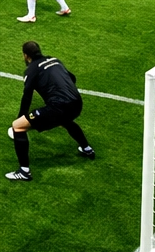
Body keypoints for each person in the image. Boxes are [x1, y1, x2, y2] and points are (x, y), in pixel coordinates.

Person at [6, 41, 95, 182]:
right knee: (65, 120)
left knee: (18, 126)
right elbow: (72, 78)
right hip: (76, 103)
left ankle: (24, 172)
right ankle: (87, 148)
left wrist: (20, 117)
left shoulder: (31, 70)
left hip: (58, 107)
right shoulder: (55, 60)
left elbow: (27, 96)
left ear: (25, 55)